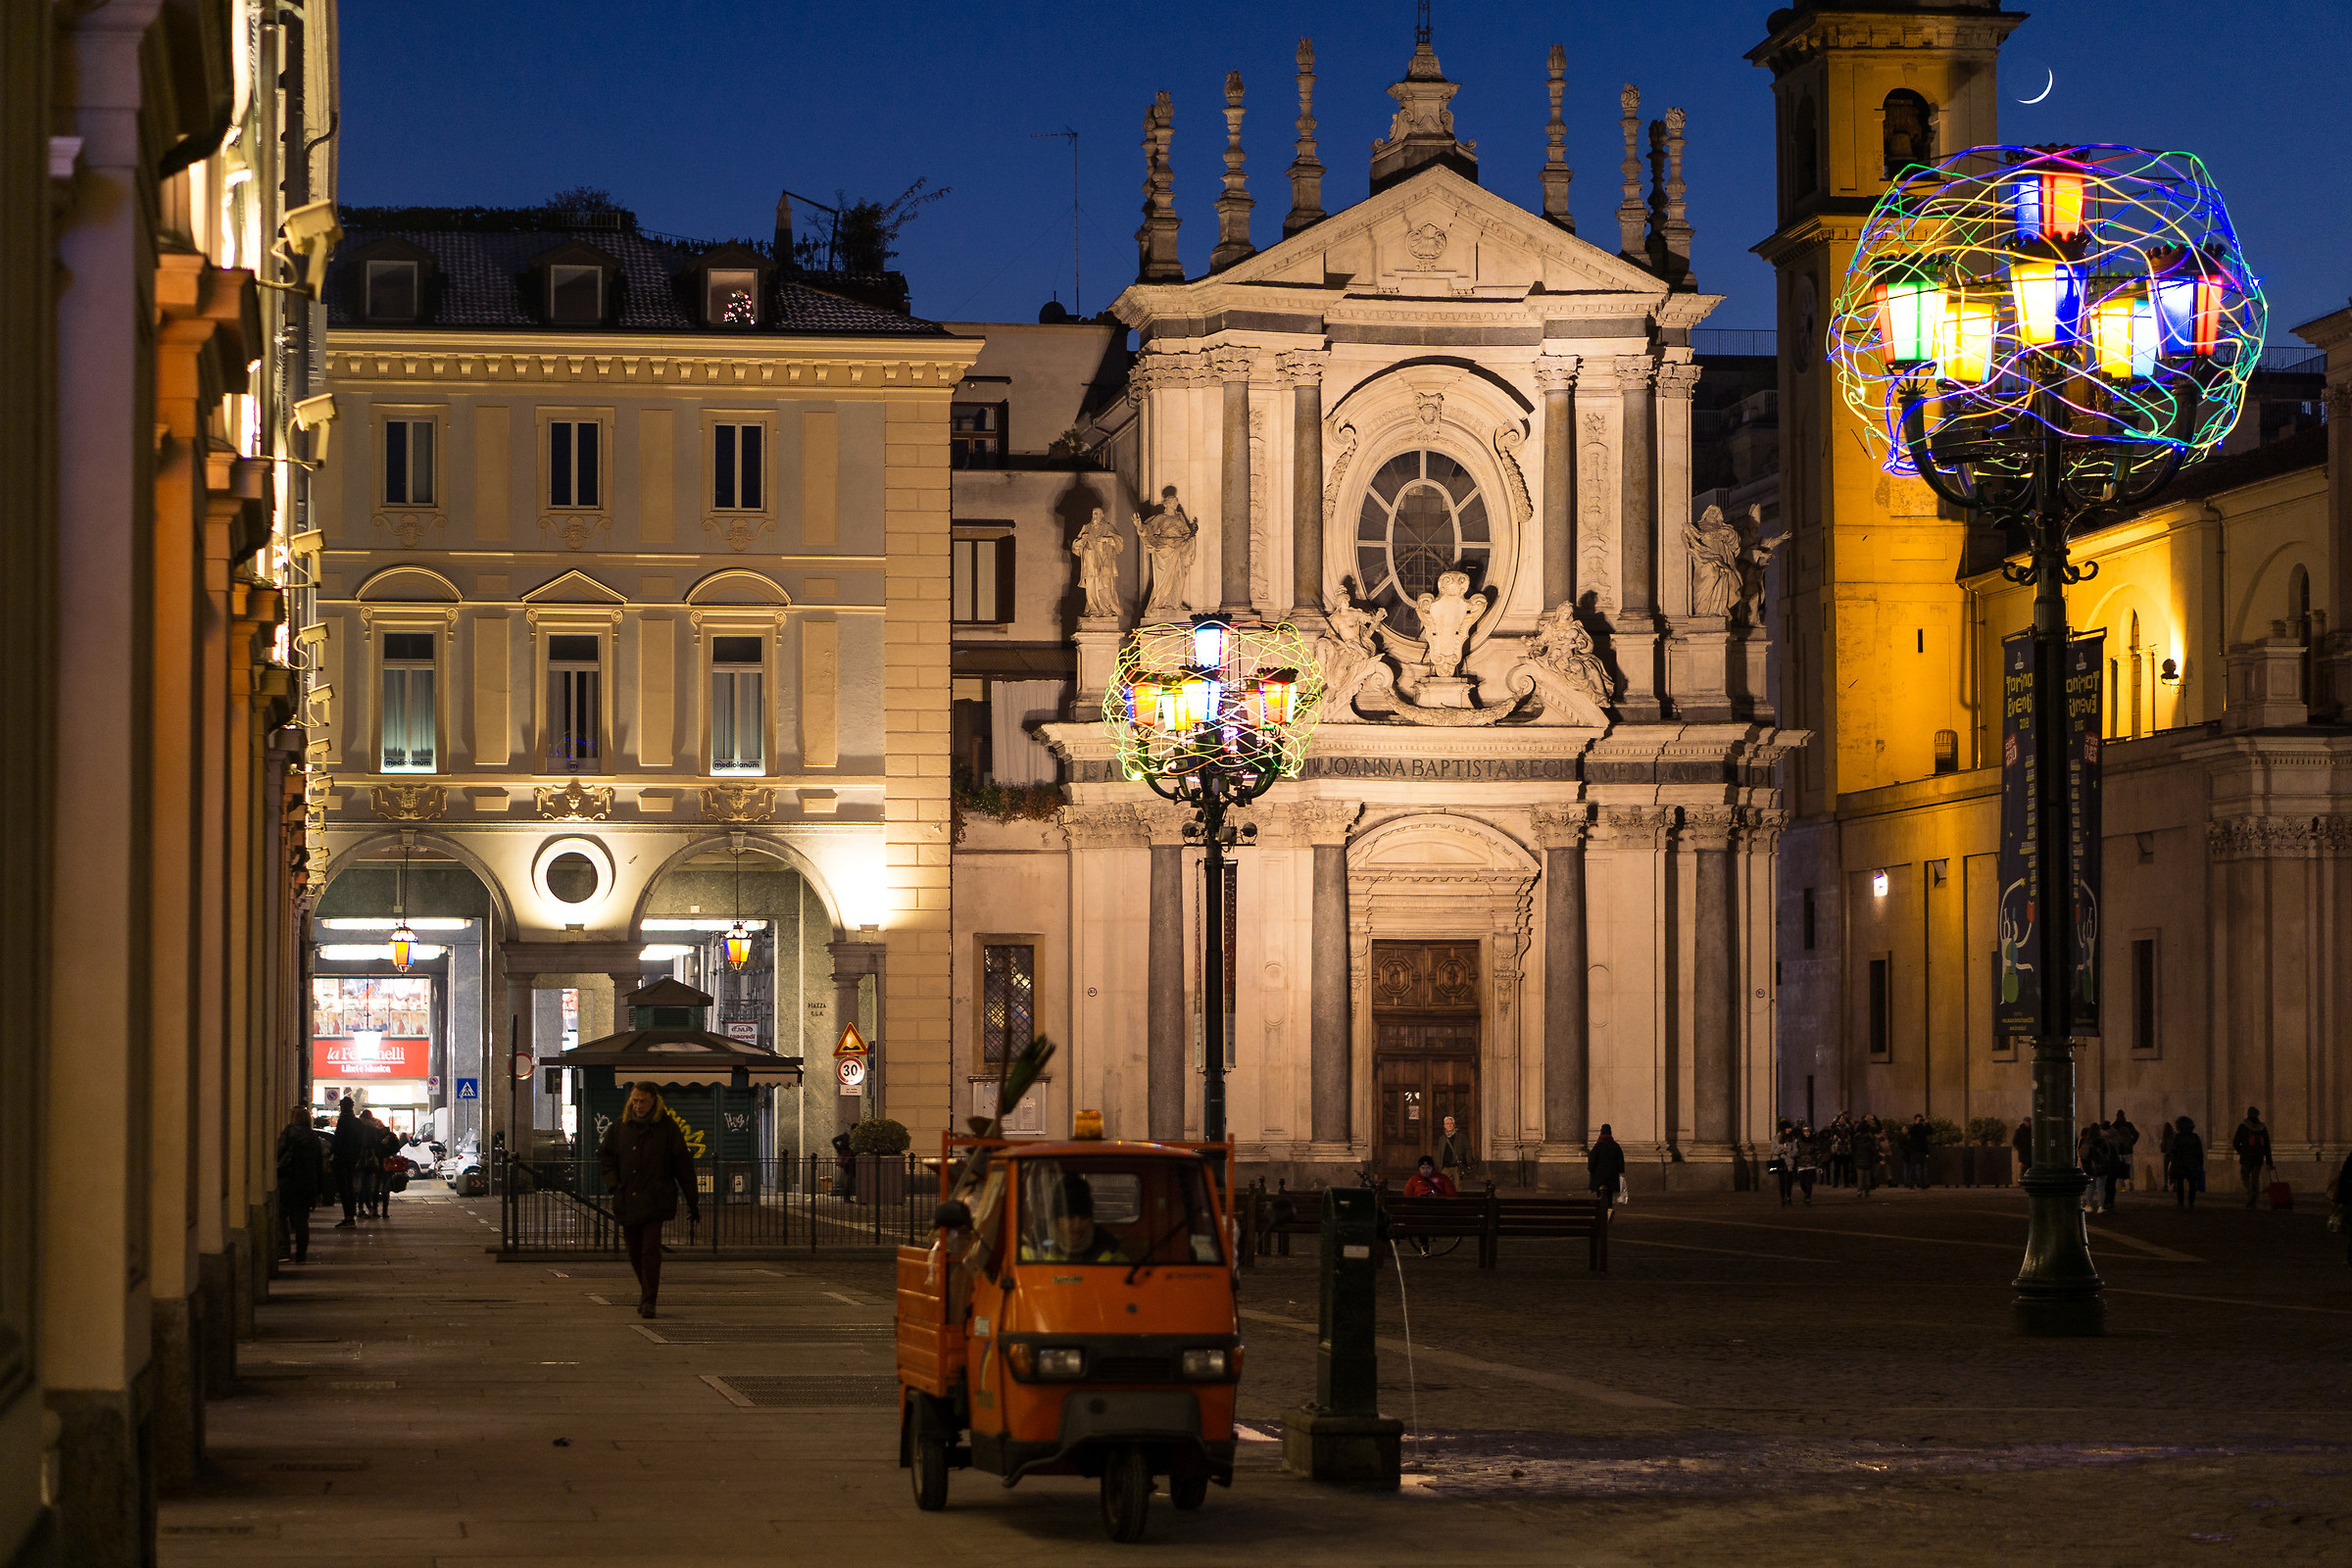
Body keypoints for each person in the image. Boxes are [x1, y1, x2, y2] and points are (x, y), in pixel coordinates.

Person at [599, 1082, 701, 1318]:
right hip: (628, 1199)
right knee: (634, 1251)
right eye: (635, 1100)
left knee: (650, 1251)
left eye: (642, 1101)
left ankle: (648, 1301)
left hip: (656, 1200)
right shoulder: (620, 1127)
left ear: (654, 1100)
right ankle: (646, 1291)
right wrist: (613, 1184)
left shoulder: (667, 1128)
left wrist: (692, 1201)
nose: (638, 1105)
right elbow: (605, 1156)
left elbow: (683, 1166)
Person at [275, 1103, 329, 1262]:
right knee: (301, 1220)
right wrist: (320, 1190)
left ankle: (284, 1251)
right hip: (306, 1182)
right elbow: (319, 1166)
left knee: (281, 1215)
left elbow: (278, 1155)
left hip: (287, 1180)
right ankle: (301, 1254)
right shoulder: (313, 1137)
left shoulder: (287, 1133)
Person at [1035, 1173, 1125, 1262]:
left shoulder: (1109, 1249)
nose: (1077, 1225)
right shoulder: (1034, 1250)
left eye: (1084, 1217)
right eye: (1070, 1217)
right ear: (1056, 1219)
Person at [329, 1097, 367, 1228]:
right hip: (353, 1159)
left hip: (342, 1159)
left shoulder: (343, 1121)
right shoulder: (357, 1122)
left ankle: (348, 1217)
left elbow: (338, 1141)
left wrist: (331, 1154)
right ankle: (351, 1215)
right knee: (351, 1188)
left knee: (344, 1188)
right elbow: (361, 1142)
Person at [2233, 1106, 2274, 1207]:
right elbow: (2267, 1146)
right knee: (2255, 1178)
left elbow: (2235, 1143)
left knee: (2245, 1177)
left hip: (2246, 1157)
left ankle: (2251, 1192)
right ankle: (2254, 1200)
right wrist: (2269, 1162)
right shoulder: (2262, 1128)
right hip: (2258, 1158)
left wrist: (2242, 1152)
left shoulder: (2243, 1127)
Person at [2167, 1115, 2205, 1209]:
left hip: (2180, 1163)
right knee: (2192, 1184)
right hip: (2192, 1163)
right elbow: (2199, 1151)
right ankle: (2191, 1202)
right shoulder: (2194, 1137)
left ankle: (2181, 1202)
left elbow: (2173, 1151)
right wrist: (2200, 1163)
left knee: (2180, 1184)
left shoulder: (2178, 1138)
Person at [1587, 1124, 1627, 1209]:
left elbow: (1592, 1161)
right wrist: (1619, 1170)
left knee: (1600, 1197)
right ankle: (1608, 1214)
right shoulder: (1615, 1146)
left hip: (1599, 1178)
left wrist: (1591, 1170)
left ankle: (1601, 1214)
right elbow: (1620, 1162)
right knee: (1609, 1197)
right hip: (1611, 1178)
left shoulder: (1597, 1146)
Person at [1437, 1114, 1475, 1187]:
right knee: (1445, 1186)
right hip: (1446, 1167)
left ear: (1454, 1125)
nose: (1449, 1125)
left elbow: (1468, 1149)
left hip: (1457, 1166)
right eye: (1447, 1124)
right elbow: (1440, 1153)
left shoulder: (1461, 1136)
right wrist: (1440, 1166)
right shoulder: (1442, 1139)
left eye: (1451, 1123)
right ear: (1444, 1126)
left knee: (1458, 1186)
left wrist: (1469, 1162)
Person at [2110, 1108, 2140, 1194]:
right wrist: (2131, 1143)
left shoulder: (2114, 1126)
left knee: (2119, 1168)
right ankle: (2131, 1181)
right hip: (2128, 1149)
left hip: (2119, 1150)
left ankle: (2122, 1185)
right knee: (2130, 1165)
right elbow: (2136, 1134)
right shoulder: (2128, 1125)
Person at [1771, 1121, 1800, 1207]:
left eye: (1790, 1128)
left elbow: (1796, 1150)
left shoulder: (1792, 1138)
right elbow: (1772, 1150)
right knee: (1782, 1181)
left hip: (1789, 1162)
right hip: (1780, 1161)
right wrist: (1779, 1150)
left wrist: (1789, 1152)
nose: (1790, 1130)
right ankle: (1782, 1198)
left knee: (1789, 1182)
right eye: (1788, 1128)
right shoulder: (1776, 1138)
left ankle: (1789, 1197)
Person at [1901, 1114, 1934, 1190]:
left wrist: (1927, 1123)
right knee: (1912, 1168)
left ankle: (1922, 1184)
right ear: (1915, 1120)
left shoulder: (1923, 1128)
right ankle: (1911, 1184)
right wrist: (1916, 1124)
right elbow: (1911, 1132)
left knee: (1922, 1168)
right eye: (1918, 1119)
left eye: (1920, 1119)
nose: (1919, 1121)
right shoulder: (1913, 1128)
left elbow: (1930, 1131)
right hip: (1915, 1150)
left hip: (1922, 1150)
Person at [1852, 1117, 1881, 1199]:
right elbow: (1873, 1150)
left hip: (1859, 1159)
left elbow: (1854, 1149)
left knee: (1860, 1177)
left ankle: (1860, 1190)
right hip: (1868, 1160)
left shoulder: (1856, 1138)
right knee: (1867, 1178)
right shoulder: (1870, 1139)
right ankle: (1867, 1191)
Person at [1793, 1122, 1821, 1205]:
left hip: (1811, 1164)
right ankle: (1806, 1194)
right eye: (1805, 1132)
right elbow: (1795, 1151)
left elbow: (1818, 1152)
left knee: (1809, 1183)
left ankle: (1808, 1198)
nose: (1807, 1133)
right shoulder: (1798, 1141)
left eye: (1808, 1132)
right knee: (1802, 1183)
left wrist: (1819, 1164)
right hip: (1801, 1164)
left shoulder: (1814, 1141)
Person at [1827, 1114, 1854, 1189]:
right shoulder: (1836, 1128)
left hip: (1845, 1151)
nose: (1842, 1120)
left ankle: (1846, 1183)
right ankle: (1835, 1182)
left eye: (1843, 1119)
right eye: (1841, 1119)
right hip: (1837, 1150)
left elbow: (1852, 1126)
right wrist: (1838, 1116)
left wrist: (1847, 1118)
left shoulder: (1847, 1127)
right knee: (1836, 1168)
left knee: (1846, 1168)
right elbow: (1832, 1125)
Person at [2012, 1116, 2034, 1183]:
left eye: (2029, 1122)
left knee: (2029, 1165)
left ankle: (2028, 1180)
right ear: (2024, 1122)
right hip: (2023, 1152)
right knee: (2024, 1166)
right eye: (2027, 1122)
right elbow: (2015, 1141)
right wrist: (2020, 1149)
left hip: (2030, 1151)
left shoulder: (2031, 1129)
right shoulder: (2019, 1130)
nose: (2029, 1123)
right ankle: (2022, 1180)